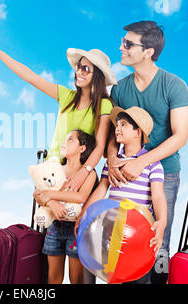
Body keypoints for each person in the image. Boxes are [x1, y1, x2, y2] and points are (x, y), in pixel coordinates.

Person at [0, 32, 116, 193]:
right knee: (46, 216)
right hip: (51, 171)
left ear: (98, 77)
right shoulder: (66, 96)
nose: (79, 72)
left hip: (79, 174)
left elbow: (100, 145)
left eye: (86, 69)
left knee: (74, 216)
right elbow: (30, 76)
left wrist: (84, 172)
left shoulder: (104, 105)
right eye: (78, 67)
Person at [107, 21, 188, 283]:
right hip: (127, 172)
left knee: (158, 242)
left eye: (128, 44)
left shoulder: (174, 85)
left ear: (148, 52)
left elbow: (180, 137)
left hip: (164, 173)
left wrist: (142, 162)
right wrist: (112, 160)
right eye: (123, 42)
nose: (121, 47)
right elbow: (113, 133)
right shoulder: (120, 89)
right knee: (121, 239)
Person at [75, 106, 167, 284]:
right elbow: (101, 190)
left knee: (137, 278)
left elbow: (158, 196)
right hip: (113, 230)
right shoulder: (113, 162)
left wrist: (161, 220)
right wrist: (82, 214)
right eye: (117, 124)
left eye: (123, 124)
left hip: (138, 233)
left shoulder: (152, 163)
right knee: (114, 275)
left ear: (137, 132)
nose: (117, 128)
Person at [34, 129, 98, 284]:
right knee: (53, 278)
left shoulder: (90, 174)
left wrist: (50, 195)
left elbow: (80, 197)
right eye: (65, 139)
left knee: (76, 279)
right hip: (54, 227)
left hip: (76, 230)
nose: (64, 142)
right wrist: (51, 202)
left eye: (70, 140)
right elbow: (38, 193)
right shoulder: (56, 169)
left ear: (81, 149)